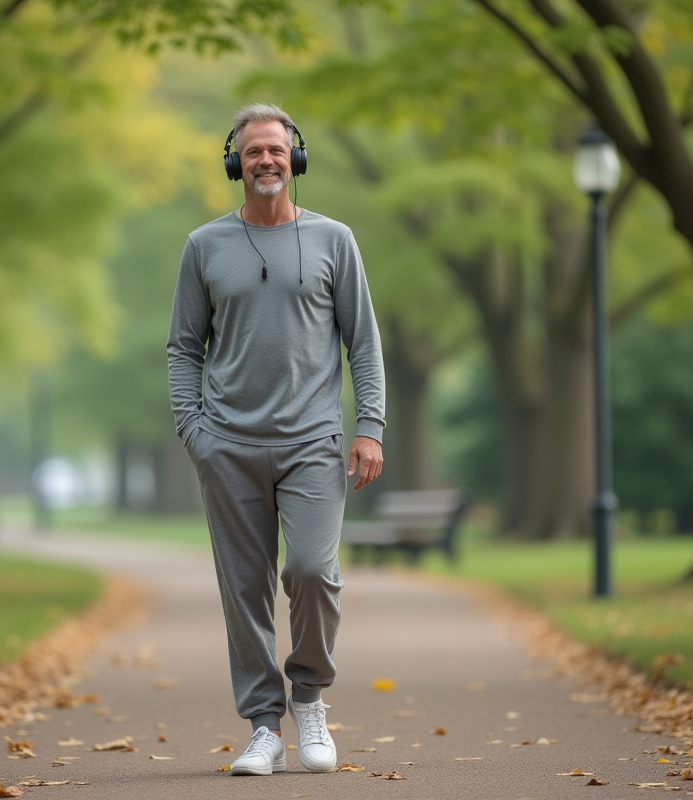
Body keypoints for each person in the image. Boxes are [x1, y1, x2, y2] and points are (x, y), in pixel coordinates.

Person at [166, 103, 386, 776]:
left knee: (312, 571)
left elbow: (364, 344)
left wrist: (370, 426)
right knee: (245, 588)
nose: (266, 160)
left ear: (296, 158)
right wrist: (194, 430)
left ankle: (310, 699)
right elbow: (182, 348)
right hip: (227, 445)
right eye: (253, 151)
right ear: (236, 163)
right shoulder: (204, 246)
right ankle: (264, 725)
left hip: (312, 441)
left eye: (276, 150)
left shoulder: (333, 240)